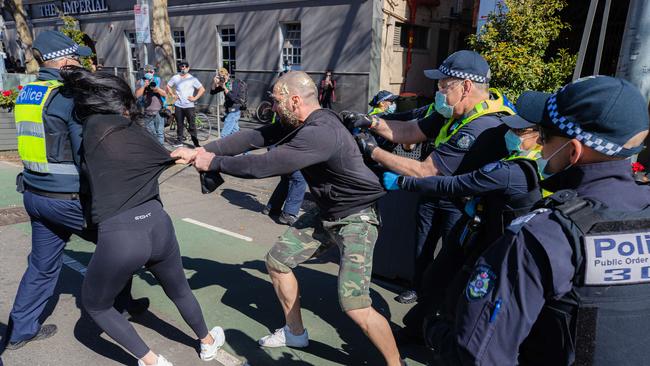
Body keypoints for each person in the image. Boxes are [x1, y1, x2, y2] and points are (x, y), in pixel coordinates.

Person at [172, 71, 406, 366]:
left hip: (356, 217)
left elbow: (266, 164)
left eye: (276, 99)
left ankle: (396, 363)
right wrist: (202, 150)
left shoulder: (320, 132)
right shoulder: (297, 122)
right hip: (328, 212)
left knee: (355, 304)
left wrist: (214, 163)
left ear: (294, 100)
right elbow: (253, 137)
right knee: (278, 262)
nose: (272, 105)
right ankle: (295, 332)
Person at [428, 75, 650, 365]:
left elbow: (480, 356)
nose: (540, 148)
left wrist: (439, 334)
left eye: (544, 137)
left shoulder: (544, 235)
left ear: (573, 151)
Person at [60, 67, 225, 366]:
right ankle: (207, 342)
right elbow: (168, 156)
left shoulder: (92, 134)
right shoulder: (138, 132)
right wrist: (189, 154)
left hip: (121, 235)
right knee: (179, 290)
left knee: (96, 305)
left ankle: (152, 361)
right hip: (158, 226)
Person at [343, 50, 514, 329]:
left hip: (470, 214)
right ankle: (423, 324)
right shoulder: (454, 109)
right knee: (434, 270)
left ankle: (441, 333)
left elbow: (425, 170)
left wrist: (374, 152)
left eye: (444, 85)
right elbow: (411, 131)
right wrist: (372, 122)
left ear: (466, 87)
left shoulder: (484, 126)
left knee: (455, 278)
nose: (438, 91)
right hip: (441, 195)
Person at [3, 30, 145, 351]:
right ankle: (120, 308)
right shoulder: (67, 96)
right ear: (66, 60)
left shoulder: (29, 92)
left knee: (41, 266)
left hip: (35, 194)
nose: (81, 62)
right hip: (69, 200)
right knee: (125, 243)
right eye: (78, 57)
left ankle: (20, 330)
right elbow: (88, 153)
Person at [383, 115, 543, 320]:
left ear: (539, 135)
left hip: (496, 241)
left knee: (451, 285)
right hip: (492, 232)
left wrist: (405, 182)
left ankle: (432, 331)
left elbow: (454, 185)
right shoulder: (532, 161)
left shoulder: (515, 170)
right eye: (512, 130)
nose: (512, 135)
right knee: (441, 275)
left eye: (519, 132)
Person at [166, 61, 205, 147]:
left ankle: (196, 144)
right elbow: (168, 86)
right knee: (179, 124)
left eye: (185, 66)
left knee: (192, 125)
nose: (183, 68)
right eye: (182, 66)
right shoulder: (175, 77)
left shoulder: (192, 79)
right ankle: (179, 141)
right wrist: (172, 95)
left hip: (189, 106)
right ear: (180, 67)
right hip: (178, 105)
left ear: (188, 68)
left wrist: (195, 98)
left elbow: (202, 89)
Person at [210, 67, 246, 138]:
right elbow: (212, 92)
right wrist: (214, 83)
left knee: (224, 134)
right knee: (235, 133)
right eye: (221, 76)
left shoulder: (234, 83)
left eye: (224, 76)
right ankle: (242, 146)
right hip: (230, 110)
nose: (223, 78)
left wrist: (224, 87)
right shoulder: (224, 84)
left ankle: (221, 147)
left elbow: (233, 98)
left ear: (228, 75)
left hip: (234, 110)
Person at [135, 64, 167, 144]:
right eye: (147, 71)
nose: (149, 73)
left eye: (151, 71)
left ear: (154, 72)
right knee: (151, 134)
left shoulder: (159, 80)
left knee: (160, 133)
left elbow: (165, 94)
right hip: (146, 111)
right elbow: (136, 95)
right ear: (144, 72)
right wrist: (144, 86)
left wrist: (157, 89)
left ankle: (161, 151)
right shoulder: (140, 81)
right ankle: (155, 150)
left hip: (159, 111)